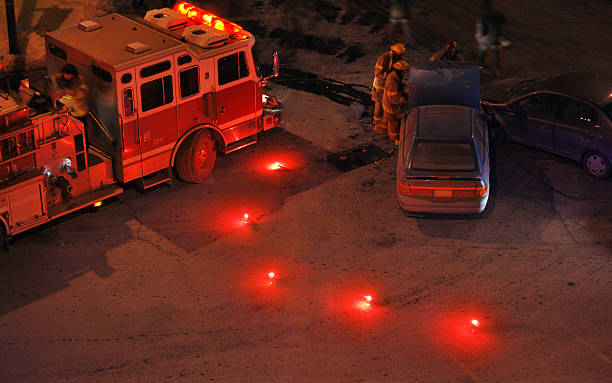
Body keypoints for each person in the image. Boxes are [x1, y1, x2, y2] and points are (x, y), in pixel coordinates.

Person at [371, 43, 405, 130]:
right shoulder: (383, 58)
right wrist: (389, 77)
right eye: (399, 55)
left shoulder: (395, 58)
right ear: (393, 52)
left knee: (386, 103)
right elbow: (378, 73)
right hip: (380, 85)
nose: (400, 57)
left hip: (387, 85)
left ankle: (383, 123)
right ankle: (377, 122)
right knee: (379, 103)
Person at [381, 60, 410, 145]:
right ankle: (394, 139)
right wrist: (402, 99)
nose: (406, 73)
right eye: (405, 71)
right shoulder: (392, 80)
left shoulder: (395, 76)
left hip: (392, 105)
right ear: (400, 71)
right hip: (391, 106)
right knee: (393, 123)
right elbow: (393, 98)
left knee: (394, 122)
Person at [475, 0, 505, 74]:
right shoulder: (496, 15)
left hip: (486, 39)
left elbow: (482, 31)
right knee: (495, 53)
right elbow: (501, 22)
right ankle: (498, 70)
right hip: (494, 38)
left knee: (482, 50)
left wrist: (478, 37)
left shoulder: (482, 18)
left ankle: (480, 66)